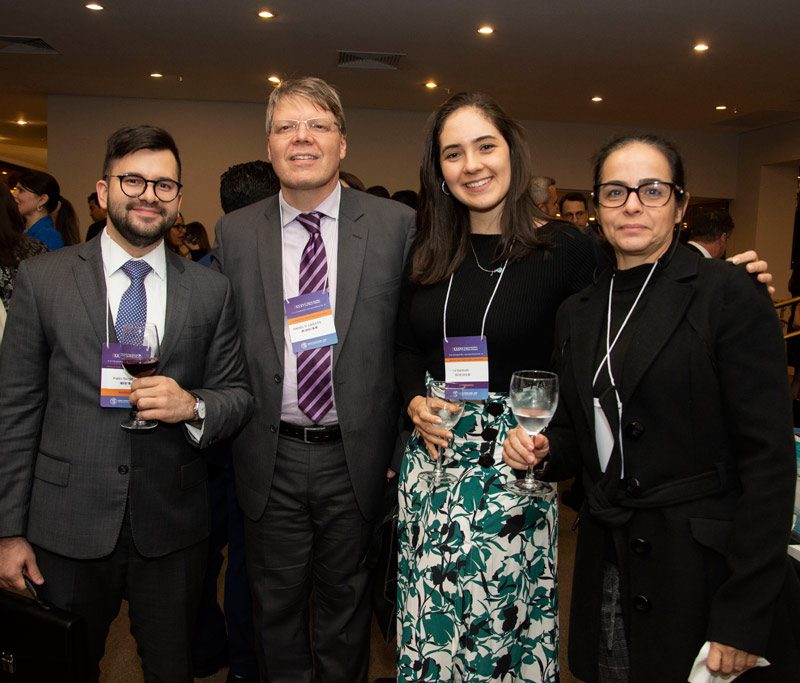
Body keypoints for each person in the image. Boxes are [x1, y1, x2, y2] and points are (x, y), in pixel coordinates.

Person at [503, 134, 800, 682]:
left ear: (680, 206)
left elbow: (770, 463)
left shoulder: (727, 293)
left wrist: (744, 614)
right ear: (597, 208)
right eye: (616, 191)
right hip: (608, 560)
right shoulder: (578, 311)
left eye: (653, 190)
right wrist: (543, 449)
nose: (633, 204)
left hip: (701, 573)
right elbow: (575, 432)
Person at [0, 125, 253, 682]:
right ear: (104, 189)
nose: (148, 195)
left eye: (164, 185)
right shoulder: (43, 279)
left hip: (172, 526)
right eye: (132, 180)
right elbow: (15, 410)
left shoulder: (211, 291)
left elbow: (237, 396)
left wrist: (193, 405)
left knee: (171, 670)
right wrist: (7, 531)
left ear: (179, 199)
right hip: (64, 524)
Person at [214, 76, 416, 682]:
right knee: (273, 613)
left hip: (357, 459)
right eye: (287, 127)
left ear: (342, 143)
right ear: (269, 146)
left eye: (318, 126)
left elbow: (412, 345)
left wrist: (400, 447)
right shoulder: (234, 232)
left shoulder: (396, 226)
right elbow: (222, 345)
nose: (302, 138)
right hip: (267, 454)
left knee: (345, 611)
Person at [395, 91, 597, 682]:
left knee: (497, 635)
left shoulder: (565, 249)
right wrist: (412, 400)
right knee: (430, 625)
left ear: (513, 152)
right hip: (431, 465)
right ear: (439, 170)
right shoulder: (429, 249)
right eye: (453, 153)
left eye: (485, 146)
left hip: (514, 463)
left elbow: (603, 347)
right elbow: (404, 347)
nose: (472, 165)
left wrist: (720, 285)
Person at [0, 183, 47, 310]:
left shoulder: (44, 237)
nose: (16, 194)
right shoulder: (37, 247)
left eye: (21, 190)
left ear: (42, 199)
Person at [12, 170, 79, 249]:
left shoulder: (48, 236)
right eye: (15, 189)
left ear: (42, 200)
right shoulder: (24, 231)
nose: (14, 194)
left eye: (21, 190)